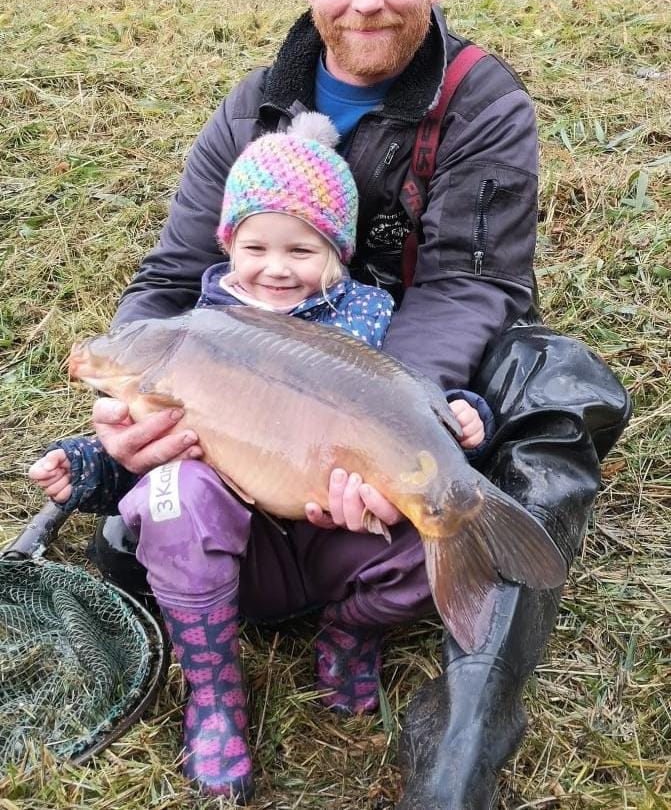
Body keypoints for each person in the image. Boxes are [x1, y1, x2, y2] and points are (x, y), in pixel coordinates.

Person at [40, 0, 631, 807]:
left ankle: (464, 721)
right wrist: (122, 410)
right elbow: (169, 281)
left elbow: (469, 287)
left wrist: (390, 425)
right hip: (262, 370)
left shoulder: (482, 104)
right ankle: (264, 558)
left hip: (406, 371)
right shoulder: (248, 112)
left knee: (555, 395)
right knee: (142, 502)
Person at [30, 112, 492, 802]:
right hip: (229, 560)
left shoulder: (368, 329)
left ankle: (349, 634)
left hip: (332, 540)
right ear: (227, 246)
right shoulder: (192, 333)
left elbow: (412, 402)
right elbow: (135, 454)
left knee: (431, 534)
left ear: (337, 254)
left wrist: (463, 416)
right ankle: (213, 694)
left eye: (301, 251)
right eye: (256, 246)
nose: (276, 268)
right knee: (172, 489)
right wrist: (86, 465)